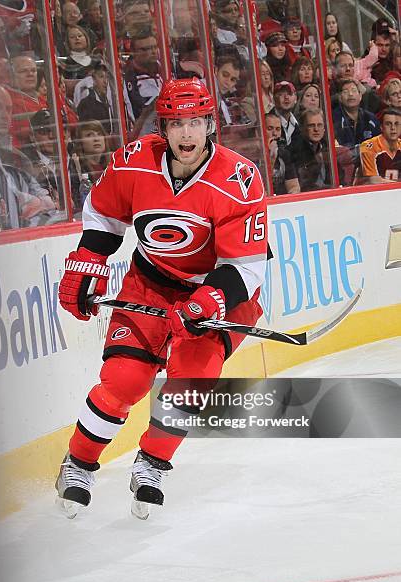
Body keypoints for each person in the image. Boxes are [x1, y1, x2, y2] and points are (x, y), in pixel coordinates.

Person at [56, 78, 268, 518]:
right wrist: (86, 260)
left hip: (219, 290)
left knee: (190, 385)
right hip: (150, 282)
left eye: (195, 122)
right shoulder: (134, 162)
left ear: (211, 124)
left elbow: (246, 266)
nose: (186, 134)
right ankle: (77, 464)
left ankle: (151, 464)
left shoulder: (239, 179)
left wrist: (204, 303)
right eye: (176, 124)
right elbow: (104, 215)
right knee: (125, 381)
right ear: (163, 127)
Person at [332, 78, 380, 167]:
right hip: (343, 168)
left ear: (360, 96)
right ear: (340, 98)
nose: (350, 94)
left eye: (354, 90)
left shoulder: (371, 118)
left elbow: (378, 147)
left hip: (369, 166)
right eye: (345, 92)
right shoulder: (334, 119)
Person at [291, 109, 332, 191]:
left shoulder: (327, 147)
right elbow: (304, 184)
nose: (316, 129)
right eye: (311, 125)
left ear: (324, 128)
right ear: (302, 128)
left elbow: (340, 176)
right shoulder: (295, 151)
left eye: (319, 125)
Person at [359, 107, 401, 183]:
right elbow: (374, 181)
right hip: (370, 193)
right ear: (381, 127)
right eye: (388, 124)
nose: (393, 128)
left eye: (397, 124)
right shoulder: (369, 147)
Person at [265, 112, 300, 194]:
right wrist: (271, 158)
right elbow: (261, 190)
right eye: (270, 129)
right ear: (258, 131)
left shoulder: (284, 154)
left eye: (278, 129)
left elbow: (294, 186)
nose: (275, 134)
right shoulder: (254, 156)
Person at [273, 80, 300, 146]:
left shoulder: (299, 124)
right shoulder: (267, 122)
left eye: (290, 94)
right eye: (281, 94)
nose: (286, 97)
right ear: (274, 99)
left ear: (295, 98)